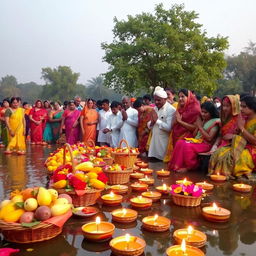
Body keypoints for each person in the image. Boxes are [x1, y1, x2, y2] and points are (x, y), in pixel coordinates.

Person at [169, 102, 220, 172]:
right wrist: (198, 126)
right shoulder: (204, 120)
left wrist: (200, 127)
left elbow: (209, 138)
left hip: (206, 144)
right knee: (180, 142)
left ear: (211, 113)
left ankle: (189, 167)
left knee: (187, 146)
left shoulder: (215, 122)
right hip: (197, 141)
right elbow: (195, 134)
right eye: (202, 112)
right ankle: (177, 165)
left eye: (206, 112)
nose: (203, 114)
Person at [208, 95, 244, 178]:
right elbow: (220, 135)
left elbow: (243, 136)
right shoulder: (224, 118)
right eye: (223, 105)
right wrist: (214, 146)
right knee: (212, 155)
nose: (224, 108)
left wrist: (233, 136)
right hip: (222, 144)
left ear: (234, 106)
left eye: (227, 106)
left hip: (234, 146)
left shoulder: (240, 119)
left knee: (221, 156)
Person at [164, 89, 201, 162]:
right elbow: (173, 124)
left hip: (188, 136)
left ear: (189, 97)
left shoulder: (195, 109)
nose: (180, 99)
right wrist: (176, 120)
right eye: (179, 97)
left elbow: (195, 128)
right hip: (176, 134)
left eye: (183, 96)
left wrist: (180, 122)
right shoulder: (180, 107)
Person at [147, 87, 176, 160]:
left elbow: (169, 128)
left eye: (159, 100)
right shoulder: (155, 108)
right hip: (153, 144)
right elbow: (149, 125)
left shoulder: (171, 110)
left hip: (163, 144)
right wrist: (152, 122)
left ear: (165, 99)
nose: (156, 102)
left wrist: (157, 121)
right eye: (155, 100)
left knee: (162, 168)